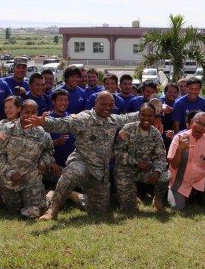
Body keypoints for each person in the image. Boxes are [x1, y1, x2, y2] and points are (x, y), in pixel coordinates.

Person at [25, 92, 139, 220]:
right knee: (72, 171)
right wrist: (44, 122)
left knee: (100, 213)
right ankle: (53, 209)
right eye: (103, 104)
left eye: (111, 104)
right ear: (95, 103)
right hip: (83, 164)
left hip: (100, 173)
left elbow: (129, 117)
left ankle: (76, 197)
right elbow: (64, 123)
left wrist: (154, 107)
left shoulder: (113, 120)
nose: (107, 107)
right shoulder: (84, 118)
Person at [0, 100, 58, 219]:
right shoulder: (7, 129)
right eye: (27, 112)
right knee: (13, 209)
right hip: (10, 179)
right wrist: (10, 172)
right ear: (21, 111)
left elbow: (49, 150)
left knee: (35, 210)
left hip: (31, 178)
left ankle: (49, 195)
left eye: (33, 112)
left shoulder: (41, 132)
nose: (30, 116)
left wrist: (43, 163)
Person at [114, 103, 170, 212]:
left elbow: (161, 156)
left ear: (154, 117)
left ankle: (157, 199)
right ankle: (131, 197)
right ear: (139, 115)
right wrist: (137, 163)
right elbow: (118, 152)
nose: (146, 118)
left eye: (150, 116)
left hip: (145, 170)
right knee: (129, 210)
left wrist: (157, 171)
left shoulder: (155, 134)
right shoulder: (128, 129)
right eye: (143, 115)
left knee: (165, 176)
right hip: (125, 170)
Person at [167, 111, 205, 209]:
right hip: (179, 182)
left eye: (204, 125)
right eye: (198, 123)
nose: (200, 127)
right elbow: (173, 165)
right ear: (191, 123)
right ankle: (185, 195)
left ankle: (196, 195)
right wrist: (179, 150)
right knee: (177, 207)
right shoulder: (179, 138)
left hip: (199, 180)